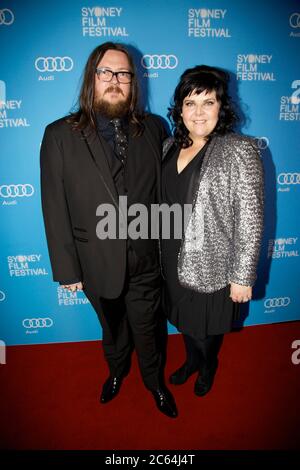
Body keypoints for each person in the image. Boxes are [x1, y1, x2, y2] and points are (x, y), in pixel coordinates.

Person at [40, 42, 177, 418]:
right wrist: (67, 269)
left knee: (148, 330)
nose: (115, 80)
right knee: (113, 330)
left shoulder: (153, 127)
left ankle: (154, 383)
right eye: (106, 73)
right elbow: (54, 205)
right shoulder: (59, 135)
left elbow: (162, 192)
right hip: (96, 261)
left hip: (147, 259)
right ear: (91, 79)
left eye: (123, 74)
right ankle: (116, 372)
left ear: (133, 83)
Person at [161, 65, 264, 397]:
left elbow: (250, 218)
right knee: (184, 323)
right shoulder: (168, 146)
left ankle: (207, 366)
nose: (199, 112)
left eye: (208, 102)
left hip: (212, 264)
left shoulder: (239, 149)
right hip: (169, 258)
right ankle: (192, 360)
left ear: (223, 107)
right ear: (180, 109)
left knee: (205, 330)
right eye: (190, 103)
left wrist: (243, 276)